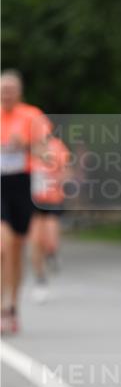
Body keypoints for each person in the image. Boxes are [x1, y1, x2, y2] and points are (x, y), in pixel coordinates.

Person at [1, 70, 50, 332]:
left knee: (15, 250)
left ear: (19, 92)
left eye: (10, 89)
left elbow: (46, 150)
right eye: (2, 89)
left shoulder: (32, 116)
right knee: (3, 244)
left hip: (21, 184)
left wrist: (27, 145)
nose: (6, 93)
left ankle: (11, 306)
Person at [29, 133, 70, 302]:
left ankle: (52, 253)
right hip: (33, 199)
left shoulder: (57, 146)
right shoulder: (27, 146)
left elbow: (67, 169)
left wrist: (59, 179)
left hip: (53, 199)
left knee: (50, 237)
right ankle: (40, 279)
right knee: (36, 240)